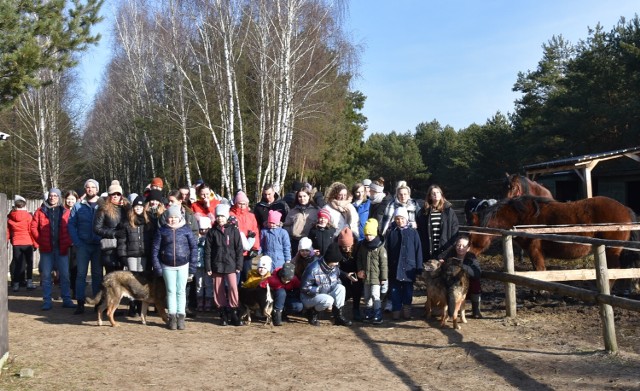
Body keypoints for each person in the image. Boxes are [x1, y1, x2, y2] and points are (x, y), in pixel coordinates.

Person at [152, 205, 198, 330]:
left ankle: (181, 317)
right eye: (170, 217)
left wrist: (192, 267)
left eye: (175, 217)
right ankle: (172, 318)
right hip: (167, 266)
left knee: (181, 291)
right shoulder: (162, 230)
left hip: (183, 265)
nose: (173, 219)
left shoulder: (186, 230)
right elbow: (155, 249)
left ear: (180, 217)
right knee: (170, 291)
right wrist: (157, 267)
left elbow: (194, 248)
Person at [30, 188, 75, 310]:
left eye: (55, 195)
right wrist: (40, 240)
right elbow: (33, 227)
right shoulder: (40, 211)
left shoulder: (65, 211)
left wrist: (69, 240)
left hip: (62, 248)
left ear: (59, 197)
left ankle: (66, 299)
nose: (52, 197)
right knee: (45, 276)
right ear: (48, 196)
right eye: (51, 195)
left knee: (65, 275)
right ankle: (47, 301)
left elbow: (71, 226)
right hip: (46, 249)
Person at [205, 204, 244, 326]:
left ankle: (234, 313)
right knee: (218, 290)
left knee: (233, 288)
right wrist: (208, 267)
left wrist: (239, 265)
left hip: (231, 264)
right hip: (216, 265)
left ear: (226, 217)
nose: (220, 218)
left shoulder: (234, 230)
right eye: (218, 216)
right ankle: (223, 314)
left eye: (222, 216)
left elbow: (239, 249)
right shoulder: (212, 232)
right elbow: (208, 251)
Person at [69, 179, 103, 314]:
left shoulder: (103, 204)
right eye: (87, 187)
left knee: (97, 275)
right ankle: (80, 302)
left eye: (93, 187)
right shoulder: (78, 206)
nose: (90, 189)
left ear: (97, 189)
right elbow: (71, 224)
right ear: (85, 189)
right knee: (81, 274)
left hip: (98, 246)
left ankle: (97, 302)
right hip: (83, 245)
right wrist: (76, 241)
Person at [116, 195, 154, 315]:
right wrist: (123, 257)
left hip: (144, 255)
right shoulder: (126, 222)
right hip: (131, 255)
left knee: (142, 281)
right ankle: (132, 305)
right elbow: (122, 241)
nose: (138, 208)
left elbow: (152, 239)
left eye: (140, 206)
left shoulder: (149, 222)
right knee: (132, 281)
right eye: (136, 206)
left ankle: (140, 306)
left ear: (144, 208)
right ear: (133, 208)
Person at [300, 242, 353, 327]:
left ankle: (338, 317)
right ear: (329, 260)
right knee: (328, 300)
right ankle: (312, 313)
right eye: (336, 262)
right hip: (309, 297)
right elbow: (304, 288)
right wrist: (320, 289)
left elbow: (338, 272)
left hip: (325, 292)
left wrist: (346, 275)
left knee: (341, 288)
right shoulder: (313, 269)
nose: (337, 264)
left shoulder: (333, 267)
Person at [385, 207, 422, 320]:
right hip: (394, 267)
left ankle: (407, 311)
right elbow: (387, 251)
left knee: (408, 291)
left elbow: (418, 250)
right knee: (394, 291)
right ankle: (396, 310)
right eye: (397, 219)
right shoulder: (391, 233)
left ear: (406, 219)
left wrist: (419, 267)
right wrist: (386, 267)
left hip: (408, 268)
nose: (400, 221)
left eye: (402, 218)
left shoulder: (413, 233)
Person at [356, 218, 388, 324]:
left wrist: (383, 277)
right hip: (366, 277)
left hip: (376, 277)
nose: (368, 237)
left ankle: (377, 313)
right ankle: (368, 312)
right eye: (366, 235)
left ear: (375, 234)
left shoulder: (380, 248)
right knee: (367, 296)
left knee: (375, 295)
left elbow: (384, 264)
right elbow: (359, 259)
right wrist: (360, 270)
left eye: (370, 234)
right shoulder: (363, 246)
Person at [94, 180, 129, 274]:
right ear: (109, 195)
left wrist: (128, 208)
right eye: (113, 194)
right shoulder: (103, 208)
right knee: (110, 276)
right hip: (110, 248)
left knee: (122, 276)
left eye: (118, 194)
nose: (115, 196)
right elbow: (97, 228)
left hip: (123, 246)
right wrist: (114, 233)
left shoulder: (127, 208)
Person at [416, 184, 459, 261]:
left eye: (438, 192)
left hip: (445, 252)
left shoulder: (449, 211)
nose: (436, 194)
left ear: (441, 194)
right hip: (428, 251)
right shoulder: (423, 212)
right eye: (433, 193)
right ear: (429, 196)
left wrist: (447, 250)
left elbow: (455, 230)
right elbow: (419, 232)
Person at [229, 190, 260, 282]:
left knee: (247, 275)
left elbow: (255, 231)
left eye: (244, 204)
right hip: (235, 251)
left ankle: (246, 294)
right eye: (240, 203)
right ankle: (236, 295)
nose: (242, 206)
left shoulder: (251, 216)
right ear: (235, 203)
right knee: (236, 276)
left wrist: (255, 248)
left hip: (248, 251)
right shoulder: (231, 215)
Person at [449, 235, 483, 318]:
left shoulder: (471, 257)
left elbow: (477, 274)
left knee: (476, 283)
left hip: (466, 288)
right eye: (458, 245)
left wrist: (461, 265)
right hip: (452, 286)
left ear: (468, 248)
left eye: (464, 246)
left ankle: (476, 310)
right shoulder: (450, 255)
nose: (460, 248)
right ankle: (449, 309)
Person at [7, 195, 36, 292]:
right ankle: (29, 282)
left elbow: (8, 231)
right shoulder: (28, 216)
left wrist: (7, 241)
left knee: (17, 264)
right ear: (25, 206)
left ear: (15, 206)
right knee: (29, 263)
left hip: (16, 243)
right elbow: (31, 230)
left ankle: (16, 284)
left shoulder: (10, 217)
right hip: (28, 242)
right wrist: (35, 243)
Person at [260, 262, 302, 326]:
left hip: (287, 296)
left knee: (298, 306)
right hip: (275, 298)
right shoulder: (272, 279)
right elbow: (261, 286)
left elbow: (298, 288)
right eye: (284, 279)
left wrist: (293, 294)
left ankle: (283, 313)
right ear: (281, 275)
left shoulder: (294, 279)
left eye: (288, 280)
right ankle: (276, 315)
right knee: (281, 292)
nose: (286, 281)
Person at [283, 187, 319, 256]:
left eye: (304, 196)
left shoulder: (316, 210)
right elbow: (287, 225)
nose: (302, 199)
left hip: (311, 242)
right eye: (300, 197)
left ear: (309, 196)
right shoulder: (293, 211)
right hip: (296, 242)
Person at [337, 226, 363, 321]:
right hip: (342, 273)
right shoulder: (336, 249)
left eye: (349, 247)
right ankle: (338, 308)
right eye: (344, 247)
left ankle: (356, 309)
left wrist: (359, 271)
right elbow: (335, 268)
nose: (347, 249)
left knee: (357, 289)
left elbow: (361, 260)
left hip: (356, 272)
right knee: (344, 291)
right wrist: (345, 275)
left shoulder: (358, 247)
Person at [195, 216, 214, 311]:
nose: (202, 231)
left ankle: (208, 302)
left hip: (208, 265)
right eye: (200, 229)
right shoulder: (196, 237)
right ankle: (199, 302)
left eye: (205, 229)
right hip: (197, 265)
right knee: (199, 284)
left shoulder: (211, 238)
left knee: (208, 283)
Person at [62, 190, 79, 299]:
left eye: (72, 199)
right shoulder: (62, 211)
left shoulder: (79, 210)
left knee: (75, 268)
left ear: (76, 200)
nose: (70, 201)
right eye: (68, 199)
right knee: (64, 269)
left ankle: (74, 290)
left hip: (76, 243)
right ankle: (65, 291)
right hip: (64, 243)